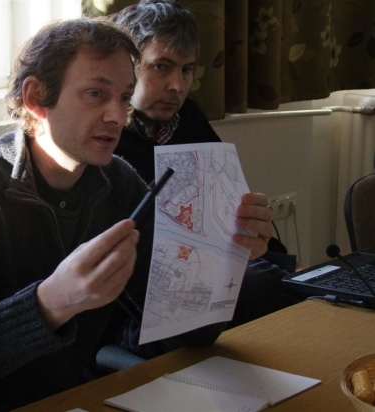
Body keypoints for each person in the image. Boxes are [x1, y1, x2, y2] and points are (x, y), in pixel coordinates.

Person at [0, 18, 274, 411]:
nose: (117, 117)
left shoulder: (119, 184)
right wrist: (54, 300)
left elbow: (187, 333)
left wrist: (222, 260)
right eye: (95, 94)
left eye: (124, 97)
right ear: (36, 98)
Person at [109, 0, 303, 326]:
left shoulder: (188, 117)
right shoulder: (109, 137)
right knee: (264, 286)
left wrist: (286, 264)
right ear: (128, 66)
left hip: (210, 273)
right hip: (141, 298)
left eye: (187, 69)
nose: (178, 85)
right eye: (161, 67)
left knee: (293, 287)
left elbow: (230, 215)